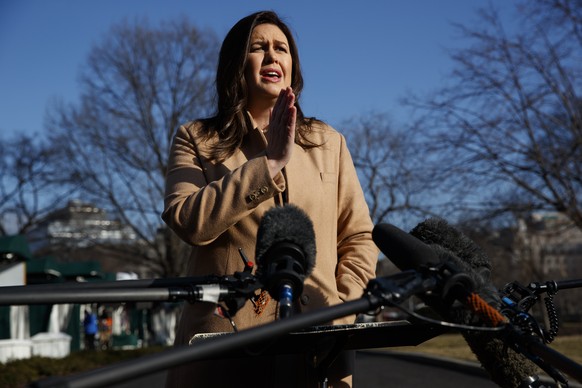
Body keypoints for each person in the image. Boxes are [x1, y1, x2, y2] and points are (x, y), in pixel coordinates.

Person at [162, 10, 378, 388]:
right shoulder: (197, 138)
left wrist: (342, 310)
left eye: (281, 49)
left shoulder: (329, 142)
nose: (272, 56)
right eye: (258, 48)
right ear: (235, 66)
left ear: (293, 66)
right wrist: (269, 163)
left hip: (320, 345)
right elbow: (187, 219)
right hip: (224, 348)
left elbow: (359, 238)